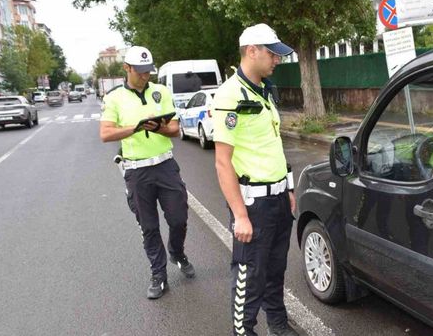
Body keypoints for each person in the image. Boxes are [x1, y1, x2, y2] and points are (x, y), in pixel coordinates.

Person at [212, 24, 299, 336]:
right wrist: (239, 216)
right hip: (253, 205)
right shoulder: (229, 95)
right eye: (272, 53)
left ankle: (278, 324)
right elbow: (223, 162)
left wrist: (287, 187)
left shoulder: (265, 90)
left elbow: (273, 145)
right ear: (252, 51)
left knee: (276, 271)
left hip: (277, 199)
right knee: (250, 275)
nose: (277, 59)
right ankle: (244, 330)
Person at [99, 45, 195, 300]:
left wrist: (158, 128)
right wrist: (136, 128)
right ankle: (158, 274)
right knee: (149, 227)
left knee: (178, 218)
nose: (145, 76)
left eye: (148, 71)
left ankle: (177, 251)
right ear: (126, 69)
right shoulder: (114, 98)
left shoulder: (161, 91)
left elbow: (175, 129)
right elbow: (106, 133)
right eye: (140, 71)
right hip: (137, 171)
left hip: (165, 166)